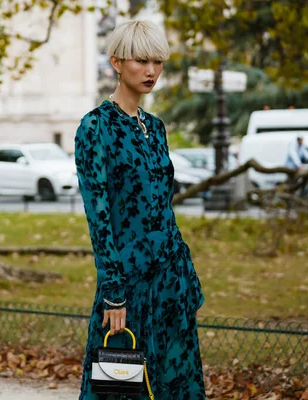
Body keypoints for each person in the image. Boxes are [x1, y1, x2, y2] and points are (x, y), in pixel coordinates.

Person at [75, 20, 206, 399]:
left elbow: (164, 207)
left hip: (171, 282)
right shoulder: (95, 127)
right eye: (141, 61)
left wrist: (187, 277)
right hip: (128, 286)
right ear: (116, 62)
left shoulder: (156, 126)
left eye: (158, 62)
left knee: (175, 385)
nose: (151, 71)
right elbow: (99, 218)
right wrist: (114, 292)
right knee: (121, 389)